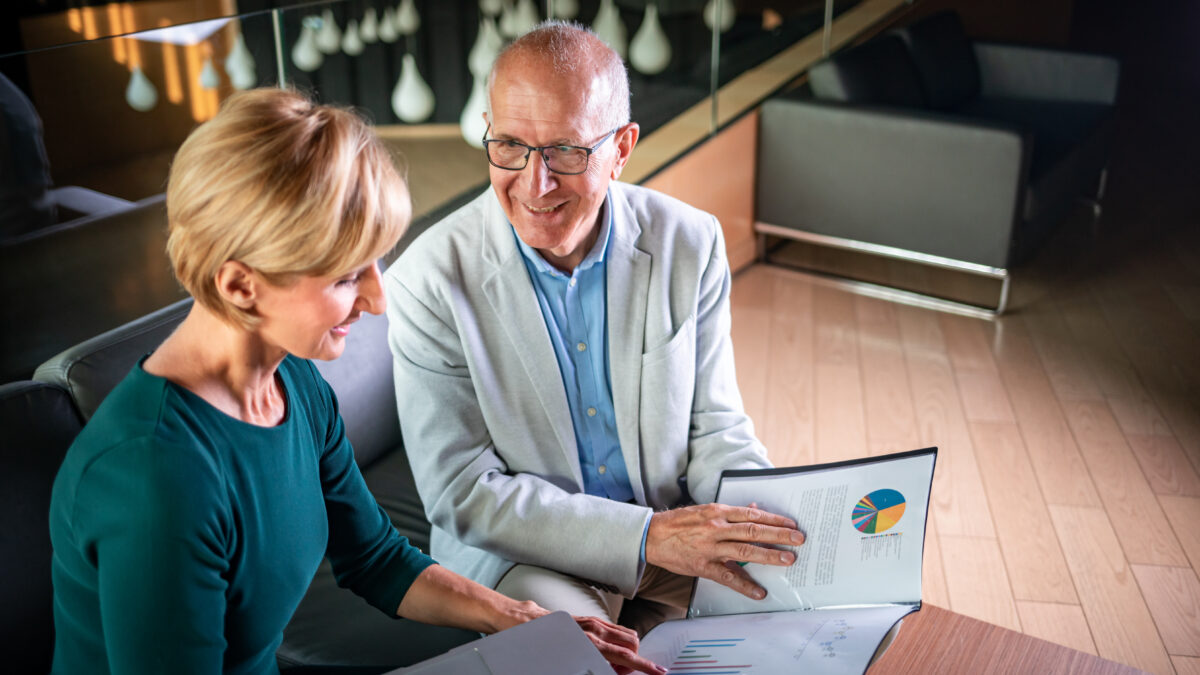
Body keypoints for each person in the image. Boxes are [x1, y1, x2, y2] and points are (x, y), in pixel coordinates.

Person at [48, 88, 662, 675]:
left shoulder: (294, 383)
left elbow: (374, 560)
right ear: (240, 287)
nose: (377, 299)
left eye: (377, 263)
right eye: (345, 278)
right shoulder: (156, 478)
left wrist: (526, 619)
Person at [385, 22, 805, 635]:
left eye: (567, 151)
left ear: (622, 148)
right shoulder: (427, 278)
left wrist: (765, 519)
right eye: (509, 146)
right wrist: (647, 536)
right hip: (529, 557)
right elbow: (464, 493)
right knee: (582, 662)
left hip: (670, 527)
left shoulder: (691, 241)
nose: (536, 183)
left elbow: (715, 427)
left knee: (823, 615)